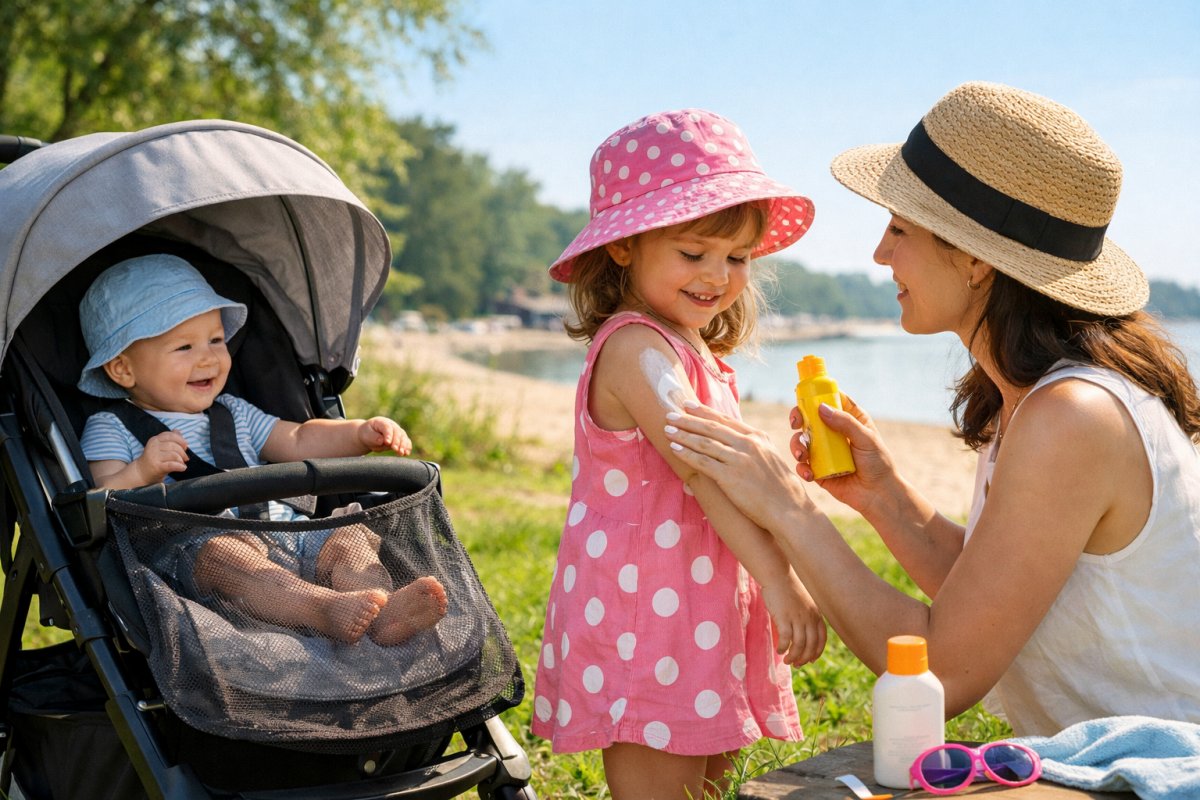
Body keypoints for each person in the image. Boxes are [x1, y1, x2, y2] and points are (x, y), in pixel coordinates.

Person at [663, 82, 1200, 737]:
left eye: (899, 228)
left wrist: (791, 509)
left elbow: (942, 672)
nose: (880, 254)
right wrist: (882, 496)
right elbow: (995, 598)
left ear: (974, 258)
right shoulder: (1045, 397)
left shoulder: (1073, 416)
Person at [531, 108, 826, 799]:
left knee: (710, 778)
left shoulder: (694, 348)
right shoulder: (635, 347)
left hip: (700, 600)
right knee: (661, 774)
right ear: (626, 245)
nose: (717, 276)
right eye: (694, 253)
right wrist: (781, 580)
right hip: (647, 609)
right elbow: (697, 468)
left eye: (737, 258)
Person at [78, 254, 449, 646]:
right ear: (123, 370)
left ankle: (383, 614)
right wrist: (142, 471)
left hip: (287, 533)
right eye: (184, 347)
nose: (208, 357)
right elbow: (99, 500)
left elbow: (300, 439)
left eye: (216, 340)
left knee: (351, 537)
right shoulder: (111, 426)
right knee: (224, 556)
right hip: (201, 557)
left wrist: (358, 433)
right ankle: (324, 609)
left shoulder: (234, 413)